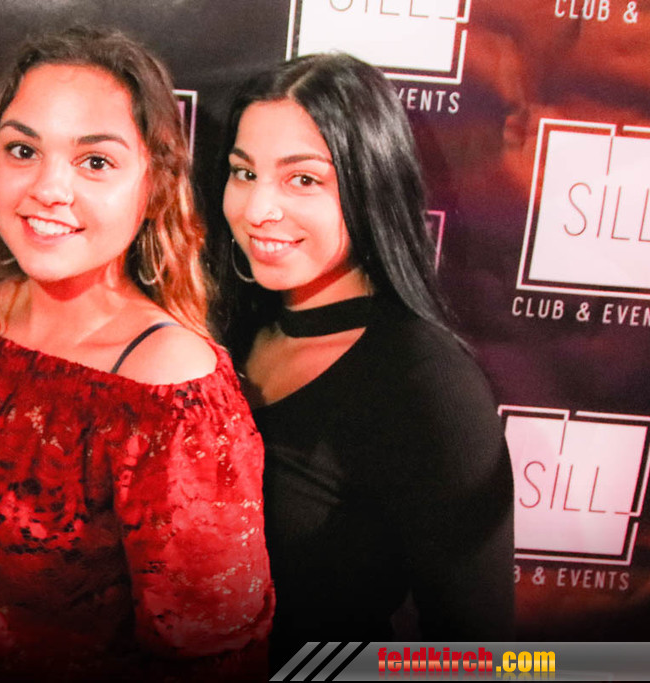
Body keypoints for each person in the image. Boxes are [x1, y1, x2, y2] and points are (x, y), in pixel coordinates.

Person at [0, 26, 273, 681]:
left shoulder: (169, 386)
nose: (48, 188)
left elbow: (218, 657)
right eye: (23, 150)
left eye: (95, 162)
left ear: (154, 185)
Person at [215, 53, 514, 666]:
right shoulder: (221, 330)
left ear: (370, 183)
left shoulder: (426, 381)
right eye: (244, 173)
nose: (257, 209)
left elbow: (476, 654)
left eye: (303, 180)